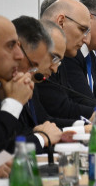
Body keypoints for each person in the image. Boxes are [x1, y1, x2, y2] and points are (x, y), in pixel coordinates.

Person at [8, 16, 68, 151]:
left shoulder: (25, 78)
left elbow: (31, 129)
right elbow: (4, 151)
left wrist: (71, 132)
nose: (54, 68)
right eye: (53, 58)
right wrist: (41, 138)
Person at [0, 14, 33, 153]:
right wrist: (13, 103)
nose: (20, 55)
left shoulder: (0, 85)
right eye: (11, 45)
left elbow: (6, 151)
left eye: (18, 45)